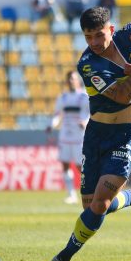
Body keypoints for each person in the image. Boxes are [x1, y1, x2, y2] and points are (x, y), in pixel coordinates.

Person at [37, 6, 131, 261]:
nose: (94, 43)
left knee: (99, 204)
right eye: (88, 37)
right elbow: (123, 96)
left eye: (99, 35)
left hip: (125, 135)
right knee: (90, 208)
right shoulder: (87, 64)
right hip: (96, 136)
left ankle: (61, 259)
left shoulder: (125, 37)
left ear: (110, 30)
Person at [46, 71, 90, 205]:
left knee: (80, 166)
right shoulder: (63, 97)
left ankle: (89, 190)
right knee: (65, 164)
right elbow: (57, 115)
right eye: (69, 79)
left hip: (78, 136)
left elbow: (89, 113)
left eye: (73, 79)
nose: (71, 81)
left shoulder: (84, 96)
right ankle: (71, 194)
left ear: (78, 81)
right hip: (65, 135)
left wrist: (85, 122)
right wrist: (51, 125)